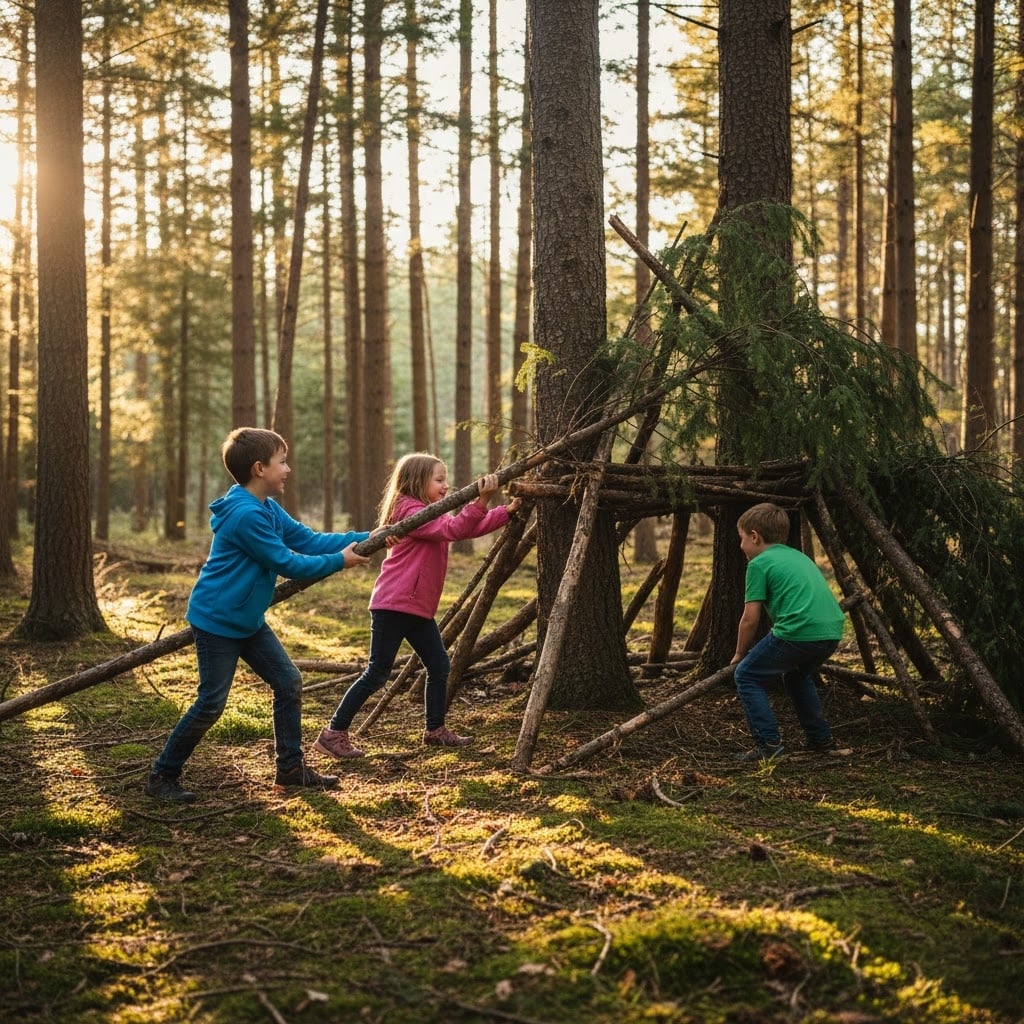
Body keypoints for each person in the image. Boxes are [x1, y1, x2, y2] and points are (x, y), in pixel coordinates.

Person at [145, 427, 373, 802]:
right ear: (258, 468)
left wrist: (368, 536)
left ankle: (290, 769)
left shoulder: (266, 507)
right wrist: (340, 561)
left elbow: (306, 540)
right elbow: (287, 562)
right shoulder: (245, 516)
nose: (288, 468)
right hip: (219, 620)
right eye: (281, 461)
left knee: (288, 681)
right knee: (211, 702)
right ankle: (162, 776)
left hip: (247, 619)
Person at [314, 452, 520, 759]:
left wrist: (505, 511)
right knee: (377, 672)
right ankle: (333, 733)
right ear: (416, 481)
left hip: (416, 608)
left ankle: (434, 730)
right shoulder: (409, 511)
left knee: (439, 665)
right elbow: (453, 529)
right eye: (438, 479)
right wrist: (481, 500)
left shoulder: (428, 514)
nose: (446, 485)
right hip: (395, 604)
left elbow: (462, 528)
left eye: (445, 479)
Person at [729, 502, 844, 762]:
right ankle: (820, 740)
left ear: (755, 536)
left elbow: (750, 619)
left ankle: (768, 745)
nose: (741, 546)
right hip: (831, 631)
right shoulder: (797, 556)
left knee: (746, 675)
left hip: (797, 631)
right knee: (796, 676)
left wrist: (739, 653)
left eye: (742, 539)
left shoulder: (758, 564)